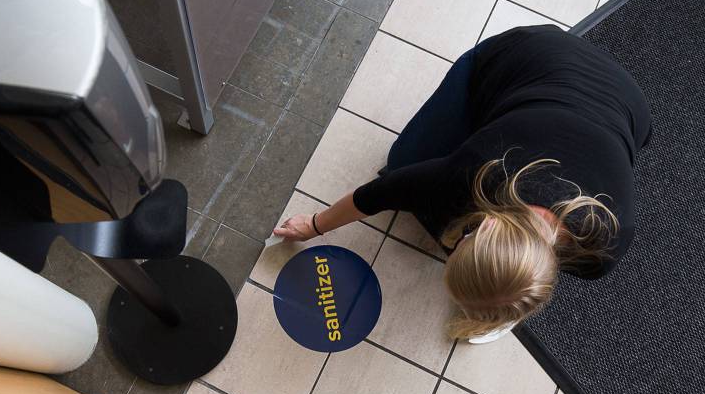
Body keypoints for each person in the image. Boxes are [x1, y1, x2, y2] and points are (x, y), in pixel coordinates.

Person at [274, 25, 652, 343]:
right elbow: (377, 195)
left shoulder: (606, 244)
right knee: (404, 161)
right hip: (523, 56)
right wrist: (315, 224)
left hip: (628, 108)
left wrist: (500, 296)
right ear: (486, 222)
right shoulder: (475, 171)